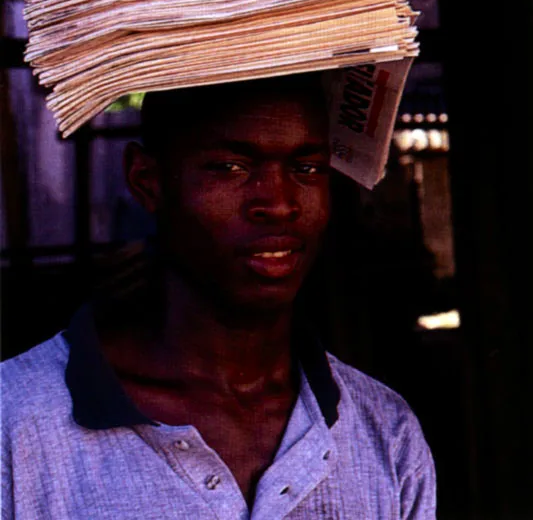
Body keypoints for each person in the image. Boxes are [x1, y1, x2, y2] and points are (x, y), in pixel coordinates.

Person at [1, 73, 436, 519]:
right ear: (147, 180)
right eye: (232, 166)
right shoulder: (15, 424)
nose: (280, 203)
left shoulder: (384, 431)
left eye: (306, 168)